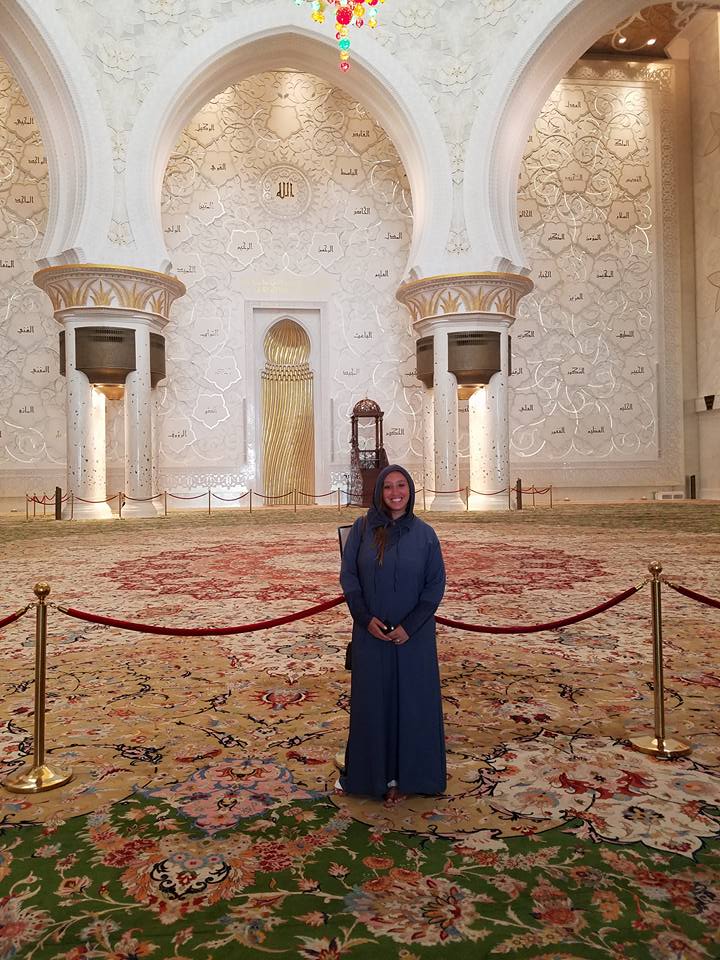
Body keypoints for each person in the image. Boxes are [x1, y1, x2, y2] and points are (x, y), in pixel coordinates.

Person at [339, 463, 446, 804]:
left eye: (402, 486)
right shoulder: (362, 528)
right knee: (373, 703)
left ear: (410, 490)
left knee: (413, 703)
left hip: (412, 638)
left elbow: (434, 586)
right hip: (371, 634)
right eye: (388, 487)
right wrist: (364, 617)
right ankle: (372, 775)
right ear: (379, 492)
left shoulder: (425, 534)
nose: (395, 493)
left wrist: (409, 627)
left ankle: (411, 776)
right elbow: (350, 577)